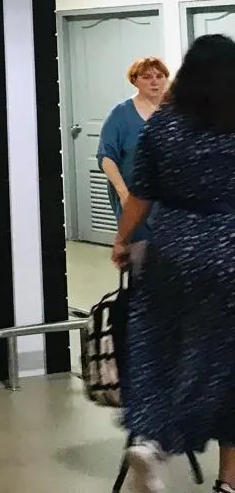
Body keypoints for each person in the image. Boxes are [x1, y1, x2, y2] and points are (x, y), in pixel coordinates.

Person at [112, 34, 235, 493]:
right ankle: (227, 481)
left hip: (172, 250)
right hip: (229, 251)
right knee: (226, 364)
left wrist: (122, 241)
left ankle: (153, 441)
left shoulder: (163, 126)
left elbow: (140, 194)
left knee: (160, 350)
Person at [99, 56, 170, 249]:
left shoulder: (174, 111)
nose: (155, 81)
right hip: (134, 197)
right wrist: (124, 194)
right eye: (147, 77)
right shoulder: (120, 114)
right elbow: (106, 158)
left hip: (168, 199)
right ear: (135, 80)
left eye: (160, 76)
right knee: (140, 255)